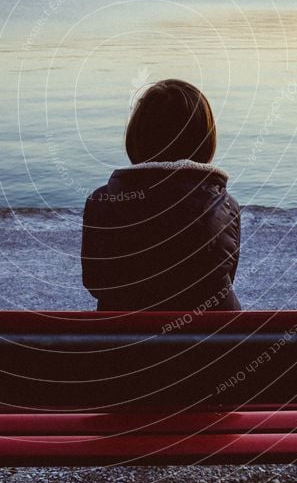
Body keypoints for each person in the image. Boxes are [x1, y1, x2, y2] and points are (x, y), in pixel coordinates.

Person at [81, 78, 241, 311]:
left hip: (123, 342)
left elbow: (96, 284)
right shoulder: (226, 207)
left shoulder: (102, 203)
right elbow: (223, 280)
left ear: (137, 136)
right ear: (205, 141)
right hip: (212, 344)